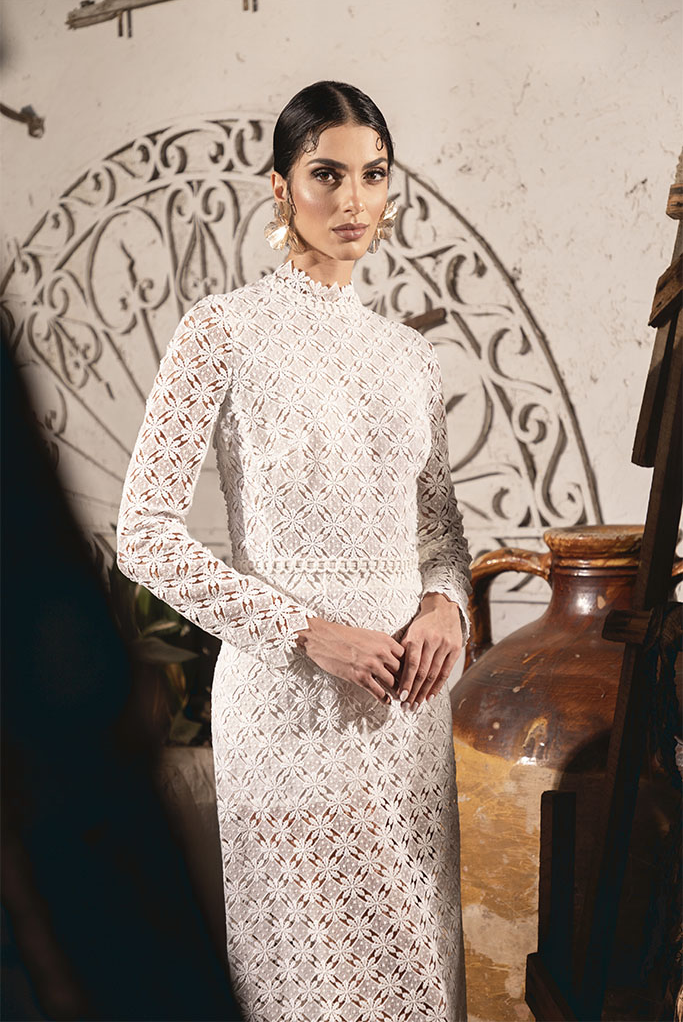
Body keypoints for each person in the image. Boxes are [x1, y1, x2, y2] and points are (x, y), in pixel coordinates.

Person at [117, 80, 471, 1022]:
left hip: (406, 709)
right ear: (280, 187)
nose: (353, 200)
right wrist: (309, 632)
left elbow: (438, 532)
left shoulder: (409, 356)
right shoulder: (222, 331)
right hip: (288, 706)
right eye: (326, 175)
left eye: (372, 175)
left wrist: (446, 607)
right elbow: (143, 533)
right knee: (309, 984)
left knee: (417, 979)